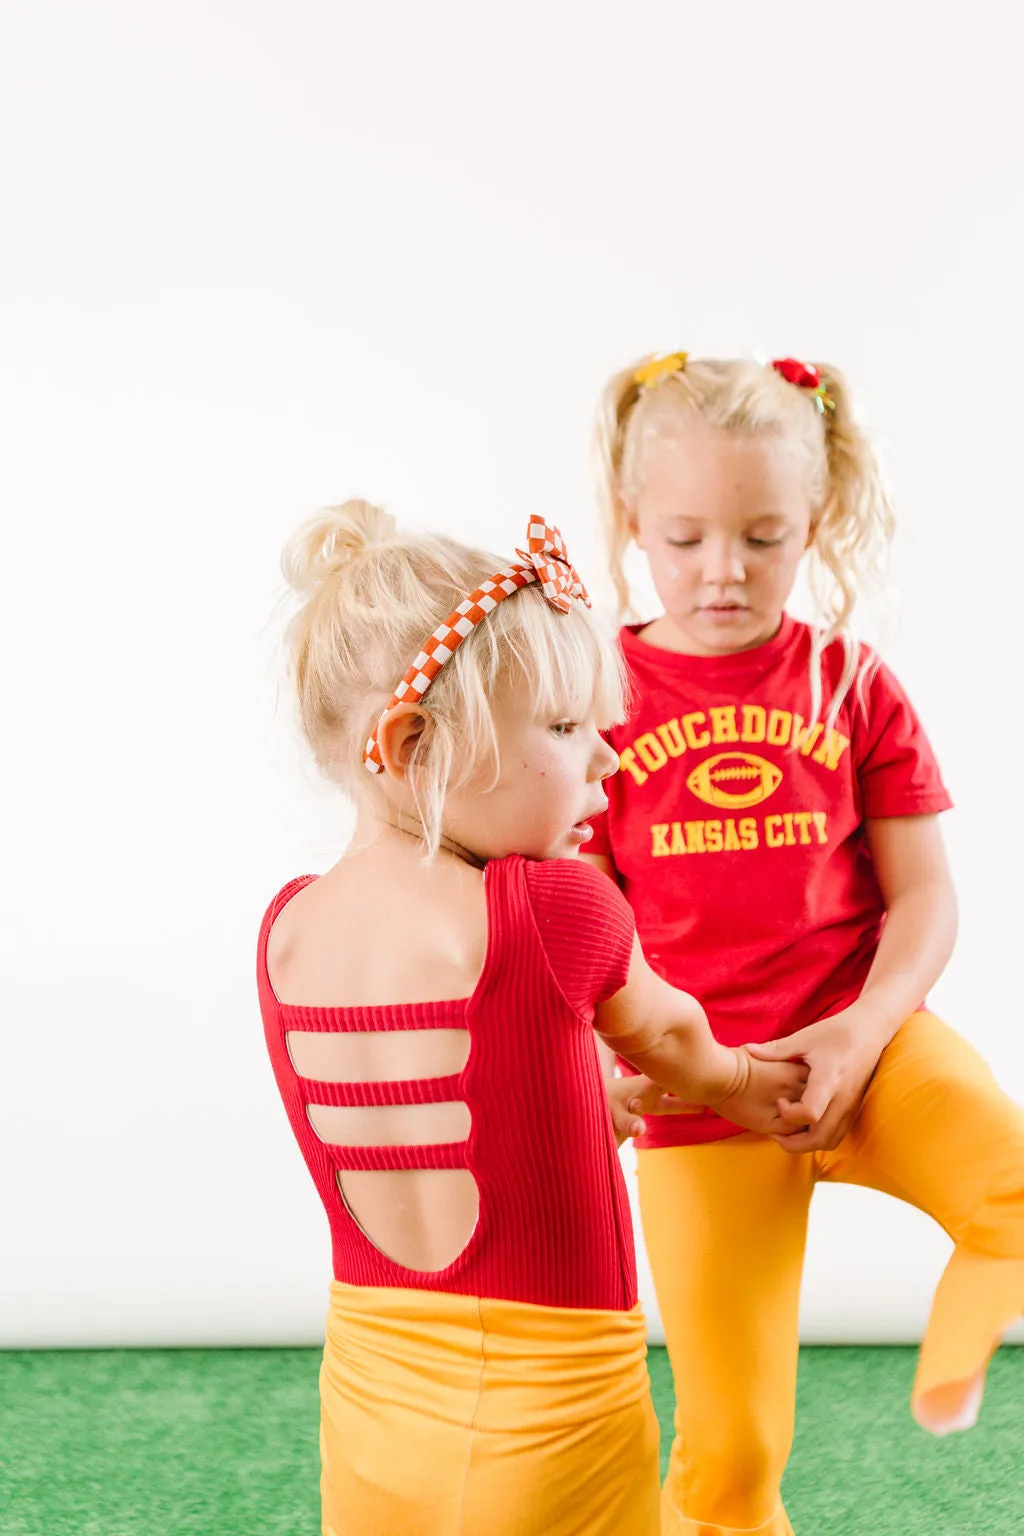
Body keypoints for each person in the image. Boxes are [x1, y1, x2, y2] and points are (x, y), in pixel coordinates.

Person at [256, 501, 806, 1536]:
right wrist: (743, 1084)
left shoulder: (289, 932)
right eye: (562, 730)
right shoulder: (549, 907)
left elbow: (426, 1112)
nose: (605, 761)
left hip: (373, 1403)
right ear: (415, 744)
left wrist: (579, 1101)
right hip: (550, 1411)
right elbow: (675, 1038)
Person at [586, 350, 1024, 1536]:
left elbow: (925, 897)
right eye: (683, 539)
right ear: (632, 521)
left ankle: (953, 1363)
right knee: (728, 1459)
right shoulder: (594, 699)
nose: (721, 570)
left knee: (1013, 1191)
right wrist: (592, 1059)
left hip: (868, 1047)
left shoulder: (850, 683)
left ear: (813, 520)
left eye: (761, 535)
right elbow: (573, 918)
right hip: (696, 1098)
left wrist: (862, 1030)